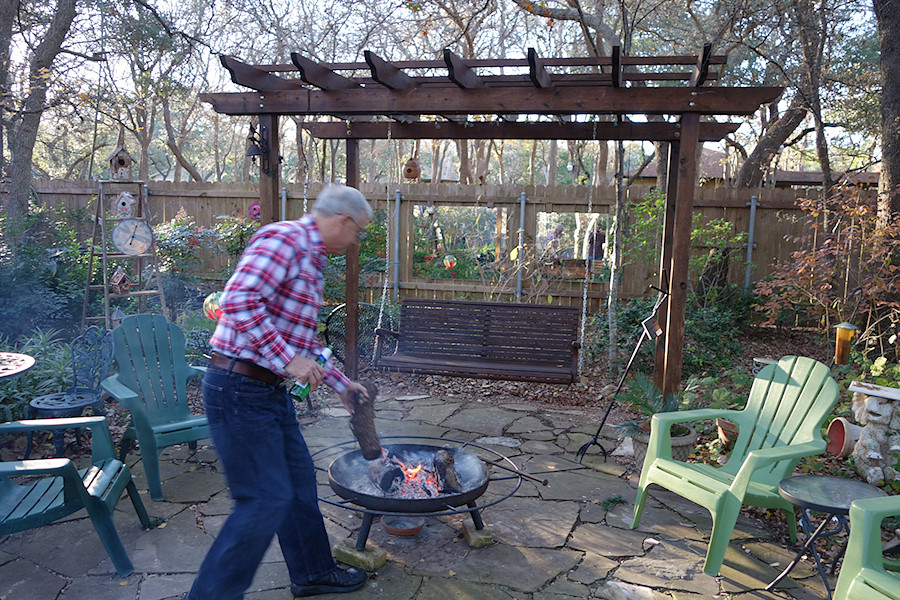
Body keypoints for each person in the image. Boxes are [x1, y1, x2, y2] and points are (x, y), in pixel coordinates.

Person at [186, 184, 372, 600]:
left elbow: (302, 345)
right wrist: (286, 360)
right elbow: (238, 299)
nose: (356, 240)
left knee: (298, 481)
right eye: (358, 231)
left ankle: (313, 572)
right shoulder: (284, 240)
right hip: (239, 389)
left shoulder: (311, 260)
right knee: (264, 501)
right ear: (343, 221)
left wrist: (342, 385)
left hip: (265, 391)